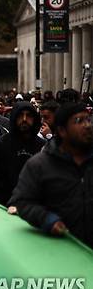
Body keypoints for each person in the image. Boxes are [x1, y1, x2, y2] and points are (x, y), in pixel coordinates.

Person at [11, 102, 93, 248]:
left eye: (88, 120)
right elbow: (22, 201)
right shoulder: (40, 165)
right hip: (60, 248)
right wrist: (47, 219)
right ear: (62, 131)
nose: (87, 125)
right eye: (79, 121)